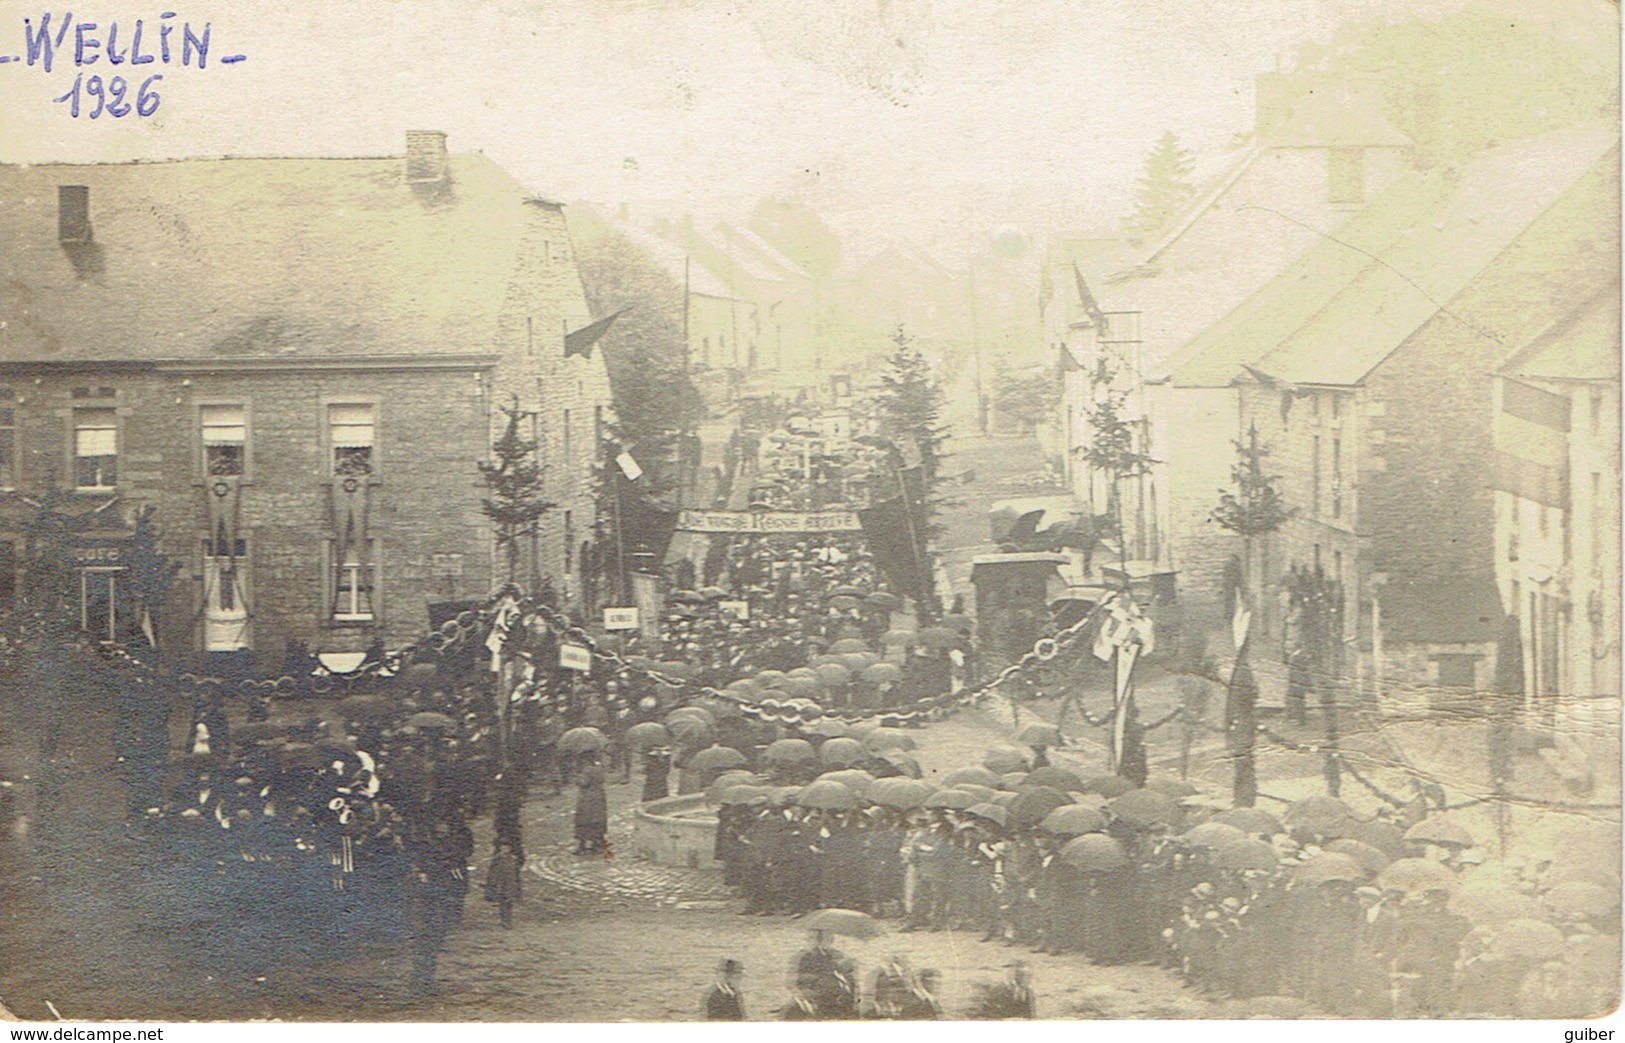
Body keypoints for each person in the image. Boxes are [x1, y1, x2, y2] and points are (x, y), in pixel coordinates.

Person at [793, 929, 859, 1019]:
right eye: (808, 939)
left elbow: (836, 967)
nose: (808, 942)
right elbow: (804, 975)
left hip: (827, 981)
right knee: (833, 985)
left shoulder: (828, 953)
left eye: (810, 939)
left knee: (849, 981)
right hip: (815, 983)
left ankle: (848, 1009)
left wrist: (846, 963)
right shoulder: (807, 956)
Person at [970, 961, 1036, 1019]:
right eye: (1022, 976)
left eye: (1029, 976)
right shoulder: (1001, 989)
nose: (1027, 979)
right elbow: (991, 1012)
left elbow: (1031, 1013)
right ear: (1016, 976)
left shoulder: (1029, 992)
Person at [574, 753, 609, 854]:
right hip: (599, 796)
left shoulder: (587, 770)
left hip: (587, 798)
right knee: (597, 818)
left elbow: (584, 783)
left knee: (584, 819)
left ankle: (582, 845)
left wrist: (577, 779)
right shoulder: (600, 768)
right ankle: (596, 842)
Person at [483, 841, 522, 929]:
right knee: (503, 901)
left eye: (507, 848)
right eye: (503, 848)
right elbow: (492, 873)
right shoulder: (497, 859)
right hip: (500, 884)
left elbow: (516, 874)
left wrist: (517, 886)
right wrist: (492, 884)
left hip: (510, 884)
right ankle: (505, 920)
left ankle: (507, 921)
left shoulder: (513, 859)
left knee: (508, 902)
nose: (505, 850)